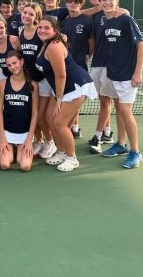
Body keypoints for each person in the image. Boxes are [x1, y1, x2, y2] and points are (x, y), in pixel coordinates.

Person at [36, 16, 97, 172]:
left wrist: (58, 99)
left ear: (55, 30)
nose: (42, 30)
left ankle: (71, 157)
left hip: (76, 86)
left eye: (46, 28)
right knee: (50, 118)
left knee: (59, 123)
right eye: (40, 27)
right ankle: (62, 152)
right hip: (61, 88)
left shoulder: (54, 47)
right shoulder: (46, 43)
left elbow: (61, 75)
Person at [98, 0, 143, 168]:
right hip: (113, 73)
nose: (107, 2)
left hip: (127, 75)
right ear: (100, 2)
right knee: (118, 108)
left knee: (126, 111)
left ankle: (136, 152)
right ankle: (120, 144)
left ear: (117, 2)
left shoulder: (126, 19)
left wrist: (137, 72)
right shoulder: (104, 20)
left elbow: (141, 46)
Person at [19, 2, 57, 159]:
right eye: (25, 12)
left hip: (44, 80)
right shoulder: (21, 31)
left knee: (40, 115)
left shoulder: (40, 33)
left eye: (31, 14)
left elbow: (54, 45)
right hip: (29, 80)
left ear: (37, 17)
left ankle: (50, 142)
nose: (26, 16)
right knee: (29, 114)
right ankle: (39, 141)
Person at [0, 51, 39, 172]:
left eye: (14, 63)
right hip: (7, 131)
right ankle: (7, 147)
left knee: (24, 166)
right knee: (5, 165)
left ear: (22, 61)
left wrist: (29, 140)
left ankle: (18, 149)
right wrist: (2, 138)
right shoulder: (3, 83)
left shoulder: (33, 85)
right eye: (9, 65)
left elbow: (35, 113)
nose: (12, 67)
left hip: (25, 133)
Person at [61, 0, 94, 139]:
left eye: (76, 1)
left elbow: (91, 43)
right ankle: (73, 128)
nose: (73, 4)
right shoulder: (63, 21)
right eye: (70, 1)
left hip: (80, 66)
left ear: (81, 3)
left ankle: (71, 128)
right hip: (65, 67)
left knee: (76, 99)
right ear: (66, 2)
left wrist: (87, 56)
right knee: (68, 98)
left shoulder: (87, 20)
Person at [86, 0, 115, 153]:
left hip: (111, 65)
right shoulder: (91, 17)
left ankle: (97, 136)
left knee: (105, 100)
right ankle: (107, 133)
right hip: (96, 63)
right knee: (103, 100)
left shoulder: (117, 14)